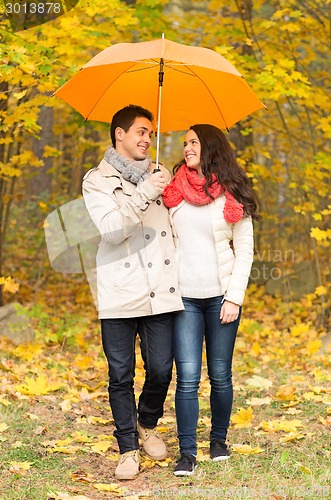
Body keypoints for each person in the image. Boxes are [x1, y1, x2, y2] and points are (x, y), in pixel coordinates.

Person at [82, 105, 183, 480]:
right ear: (119, 134)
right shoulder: (96, 180)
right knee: (120, 374)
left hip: (160, 289)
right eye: (141, 131)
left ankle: (148, 423)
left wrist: (167, 186)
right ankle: (127, 447)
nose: (147, 139)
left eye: (151, 134)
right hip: (120, 291)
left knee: (160, 368)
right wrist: (144, 192)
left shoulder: (159, 176)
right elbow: (111, 230)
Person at [162, 124, 260, 476]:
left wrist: (234, 297)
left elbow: (245, 250)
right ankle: (187, 452)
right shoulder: (171, 190)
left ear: (210, 147)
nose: (186, 148)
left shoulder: (231, 193)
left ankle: (218, 440)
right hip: (184, 298)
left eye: (193, 142)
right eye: (185, 143)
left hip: (222, 297)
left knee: (220, 375)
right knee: (187, 376)